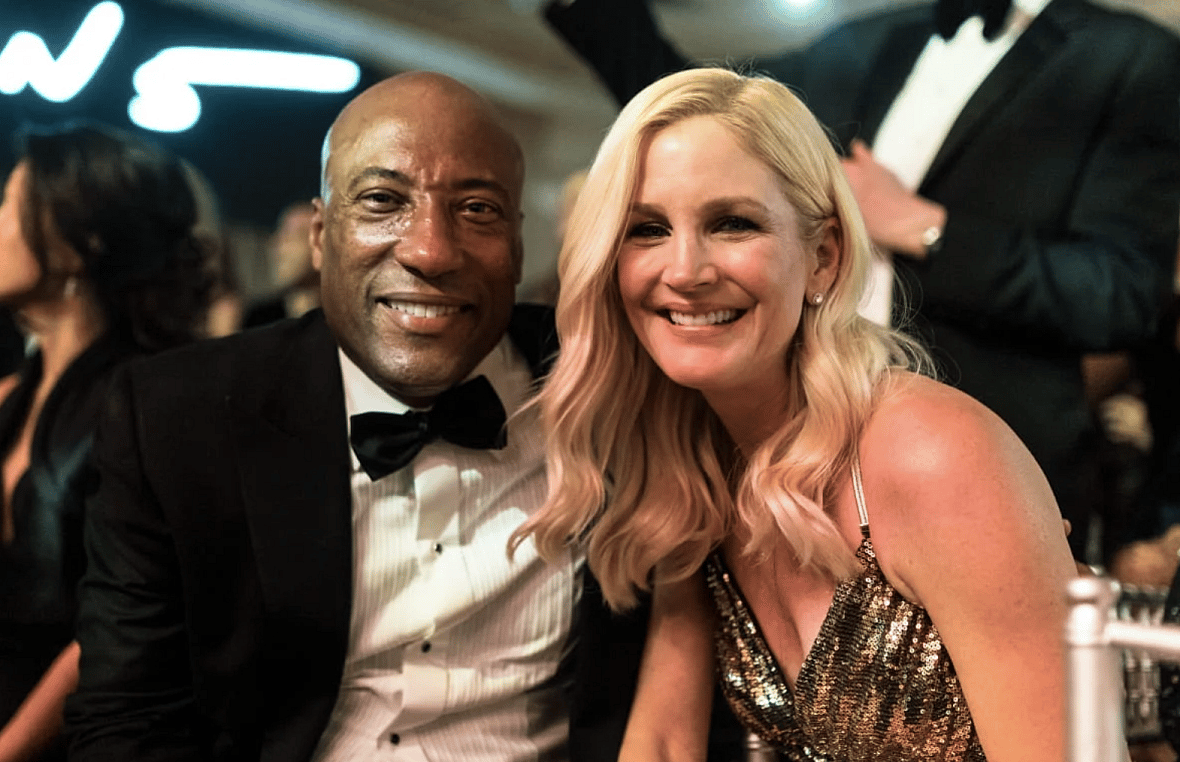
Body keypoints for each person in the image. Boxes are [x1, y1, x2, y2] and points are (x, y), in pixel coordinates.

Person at [514, 67, 1079, 762]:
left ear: (823, 258)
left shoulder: (933, 453)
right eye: (647, 229)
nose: (685, 270)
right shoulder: (696, 457)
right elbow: (662, 740)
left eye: (733, 224)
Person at [63, 72, 599, 762]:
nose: (430, 250)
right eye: (383, 200)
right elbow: (127, 722)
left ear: (518, 246)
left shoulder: (604, 387)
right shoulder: (179, 417)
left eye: (476, 209)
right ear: (320, 235)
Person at [543, 0, 1180, 562]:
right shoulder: (877, 36)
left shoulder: (1131, 57)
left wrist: (926, 228)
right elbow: (703, 121)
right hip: (793, 455)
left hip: (984, 471)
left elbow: (1122, 295)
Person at [0, 122, 211, 761]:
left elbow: (112, 629)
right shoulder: (10, 395)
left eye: (9, 205)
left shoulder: (151, 403)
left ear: (78, 245)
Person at [241, 201, 320, 328]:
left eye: (296, 235)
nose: (277, 244)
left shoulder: (344, 326)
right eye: (279, 233)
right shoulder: (255, 322)